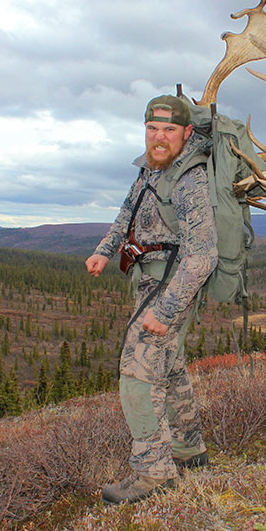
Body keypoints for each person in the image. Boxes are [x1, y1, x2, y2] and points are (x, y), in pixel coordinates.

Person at [86, 94, 217, 504]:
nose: (159, 137)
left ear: (187, 132)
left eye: (169, 130)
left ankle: (153, 473)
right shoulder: (149, 169)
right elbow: (127, 213)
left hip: (171, 287)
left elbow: (203, 254)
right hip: (149, 281)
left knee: (137, 376)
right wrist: (104, 251)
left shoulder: (190, 178)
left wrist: (165, 310)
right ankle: (188, 449)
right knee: (169, 365)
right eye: (153, 128)